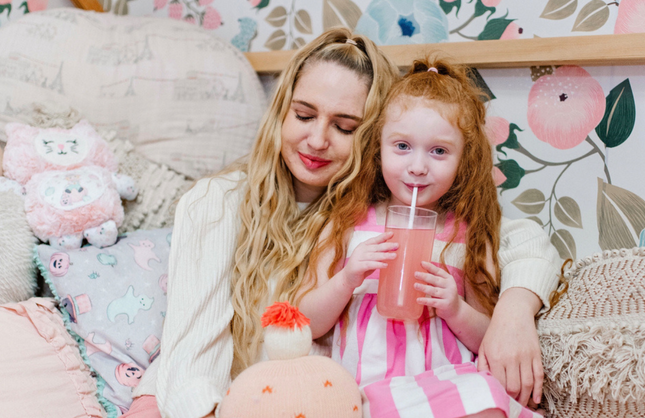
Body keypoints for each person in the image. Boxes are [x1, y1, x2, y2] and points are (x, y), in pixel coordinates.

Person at [123, 28, 559, 418]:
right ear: (281, 112)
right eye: (304, 115)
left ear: (372, 136)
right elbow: (192, 350)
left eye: (345, 126)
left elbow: (518, 239)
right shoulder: (218, 202)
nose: (317, 140)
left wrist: (514, 313)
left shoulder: (377, 205)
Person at [298, 57, 544, 418]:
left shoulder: (468, 234)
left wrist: (454, 309)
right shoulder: (347, 223)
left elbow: (488, 338)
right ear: (377, 147)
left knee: (484, 397)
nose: (417, 166)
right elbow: (307, 323)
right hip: (363, 389)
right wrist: (347, 278)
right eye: (401, 147)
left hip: (442, 387)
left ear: (463, 160)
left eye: (439, 151)